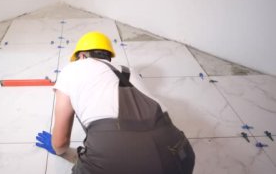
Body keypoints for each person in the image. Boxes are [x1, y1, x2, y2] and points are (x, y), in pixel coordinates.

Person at [36, 31, 195, 174]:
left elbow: (60, 142)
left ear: (82, 56)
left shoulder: (72, 69)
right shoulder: (128, 70)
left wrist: (58, 149)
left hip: (113, 162)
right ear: (108, 56)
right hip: (181, 156)